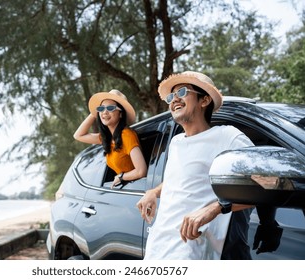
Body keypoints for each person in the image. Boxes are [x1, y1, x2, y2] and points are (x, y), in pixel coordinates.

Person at [136, 71, 256, 260]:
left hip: (192, 250)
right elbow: (178, 181)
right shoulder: (175, 142)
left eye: (182, 92)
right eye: (171, 96)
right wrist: (154, 192)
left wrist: (215, 208)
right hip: (157, 248)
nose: (174, 99)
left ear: (204, 100)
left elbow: (262, 184)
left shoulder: (228, 137)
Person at [74, 89, 147, 188]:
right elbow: (78, 135)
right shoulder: (107, 138)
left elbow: (141, 171)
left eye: (110, 108)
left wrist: (121, 177)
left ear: (120, 113)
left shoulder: (127, 135)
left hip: (138, 189)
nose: (105, 112)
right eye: (101, 108)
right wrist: (94, 112)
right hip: (126, 189)